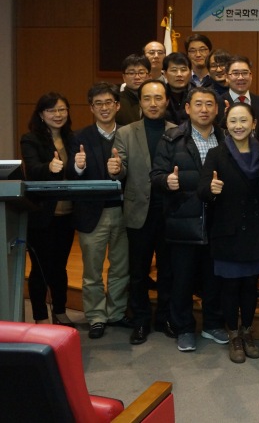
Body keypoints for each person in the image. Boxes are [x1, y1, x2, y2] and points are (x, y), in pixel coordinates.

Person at [151, 87, 227, 352]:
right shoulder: (171, 138)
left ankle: (212, 324)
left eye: (209, 104)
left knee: (213, 278)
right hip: (183, 219)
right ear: (187, 108)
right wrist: (166, 181)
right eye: (198, 104)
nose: (204, 109)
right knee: (181, 279)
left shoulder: (226, 138)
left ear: (218, 109)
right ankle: (184, 327)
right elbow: (156, 175)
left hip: (218, 221)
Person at [199, 102, 259, 363]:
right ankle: (234, 336)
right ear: (226, 126)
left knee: (250, 286)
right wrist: (211, 189)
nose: (238, 126)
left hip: (255, 232)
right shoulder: (216, 154)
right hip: (227, 231)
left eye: (243, 121)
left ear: (253, 124)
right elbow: (202, 188)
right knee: (229, 287)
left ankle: (248, 332)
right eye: (233, 121)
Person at [112, 80, 177, 345]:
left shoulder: (177, 131)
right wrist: (116, 168)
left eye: (158, 98)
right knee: (138, 272)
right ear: (140, 102)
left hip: (170, 212)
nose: (153, 103)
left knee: (168, 270)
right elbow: (122, 166)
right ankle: (140, 320)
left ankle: (164, 318)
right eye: (147, 98)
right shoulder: (126, 133)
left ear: (167, 101)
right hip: (139, 211)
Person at [67, 83, 129, 338]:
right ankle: (95, 316)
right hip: (92, 213)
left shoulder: (128, 134)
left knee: (120, 268)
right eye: (98, 104)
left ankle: (116, 313)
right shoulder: (79, 138)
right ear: (92, 108)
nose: (104, 108)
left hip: (124, 211)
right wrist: (78, 167)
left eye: (108, 103)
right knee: (92, 270)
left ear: (117, 106)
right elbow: (70, 177)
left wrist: (121, 169)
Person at [20, 92, 76, 326]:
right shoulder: (30, 139)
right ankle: (41, 316)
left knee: (60, 266)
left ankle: (60, 311)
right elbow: (32, 170)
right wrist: (49, 167)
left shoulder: (73, 138)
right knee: (40, 268)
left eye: (62, 109)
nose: (58, 114)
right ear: (42, 114)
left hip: (67, 214)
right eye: (52, 110)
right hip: (42, 215)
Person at [220, 56, 259, 141]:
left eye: (245, 73)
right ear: (226, 77)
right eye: (235, 73)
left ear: (251, 76)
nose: (240, 77)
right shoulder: (218, 103)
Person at [115, 54, 150, 126]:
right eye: (131, 73)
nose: (137, 77)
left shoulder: (155, 99)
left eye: (141, 73)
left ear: (148, 76)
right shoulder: (116, 100)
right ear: (124, 77)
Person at [162, 52, 191, 125]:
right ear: (165, 74)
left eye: (183, 70)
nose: (179, 74)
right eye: (174, 70)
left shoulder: (197, 95)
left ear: (190, 73)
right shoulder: (159, 95)